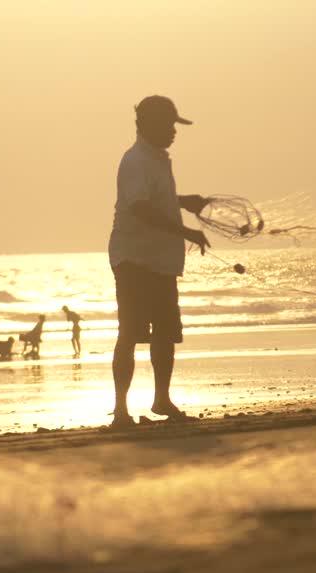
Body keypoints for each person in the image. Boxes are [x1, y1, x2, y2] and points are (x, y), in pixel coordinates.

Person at [108, 95, 211, 428]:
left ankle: (162, 399)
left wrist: (182, 201)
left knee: (165, 332)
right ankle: (120, 411)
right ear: (147, 125)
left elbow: (155, 198)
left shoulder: (157, 159)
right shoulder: (136, 161)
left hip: (161, 260)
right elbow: (140, 207)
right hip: (135, 259)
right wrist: (185, 231)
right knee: (130, 333)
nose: (173, 131)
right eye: (168, 125)